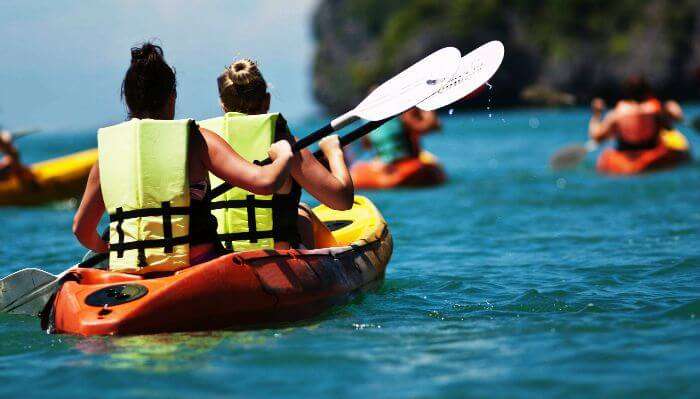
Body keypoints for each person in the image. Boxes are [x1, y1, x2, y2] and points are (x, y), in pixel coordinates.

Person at [72, 43, 293, 274]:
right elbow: (265, 183)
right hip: (197, 268)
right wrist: (283, 154)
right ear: (172, 96)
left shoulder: (109, 154)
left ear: (127, 101)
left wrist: (107, 250)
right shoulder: (194, 140)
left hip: (129, 274)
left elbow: (81, 229)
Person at [201, 59, 353, 251]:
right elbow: (342, 200)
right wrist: (334, 152)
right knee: (303, 215)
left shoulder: (204, 143)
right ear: (267, 101)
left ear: (223, 105)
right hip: (278, 257)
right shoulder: (281, 141)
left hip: (220, 257)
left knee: (301, 214)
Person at [588, 76, 683, 150]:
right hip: (652, 151)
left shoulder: (616, 115)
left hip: (627, 154)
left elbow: (597, 137)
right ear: (648, 93)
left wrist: (596, 114)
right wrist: (673, 107)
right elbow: (676, 118)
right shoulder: (657, 110)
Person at [362, 107, 441, 164]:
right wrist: (430, 112)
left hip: (383, 161)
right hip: (406, 158)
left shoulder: (367, 118)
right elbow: (425, 128)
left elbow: (366, 145)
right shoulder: (402, 109)